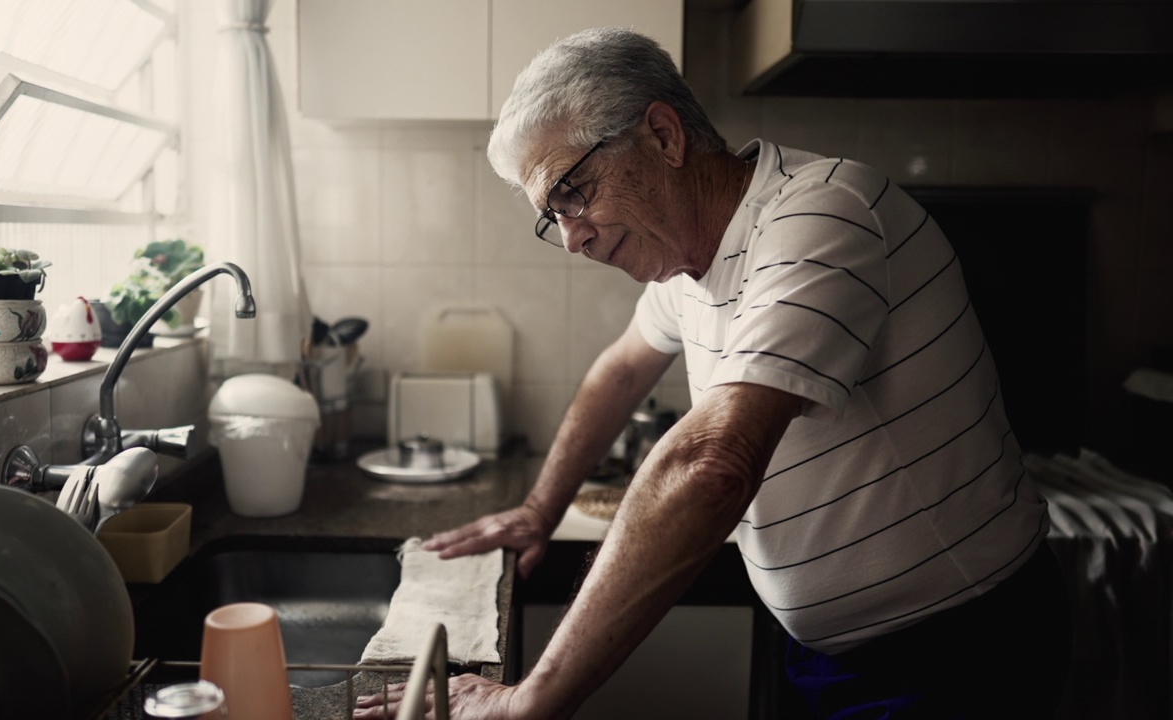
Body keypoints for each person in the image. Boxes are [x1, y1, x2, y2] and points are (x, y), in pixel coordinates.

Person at [355, 27, 1072, 720]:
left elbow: (713, 463)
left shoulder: (823, 214)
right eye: (552, 216)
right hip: (830, 651)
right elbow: (621, 370)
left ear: (663, 136)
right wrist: (540, 511)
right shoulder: (687, 263)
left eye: (572, 194)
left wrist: (533, 697)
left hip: (954, 652)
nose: (571, 238)